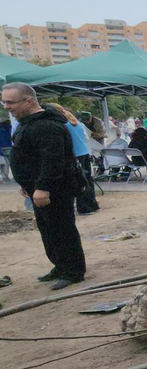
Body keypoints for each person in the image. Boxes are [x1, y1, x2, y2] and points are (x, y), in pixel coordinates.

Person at [3, 83, 86, 291]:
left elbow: (53, 160)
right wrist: (26, 184)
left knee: (62, 229)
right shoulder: (26, 123)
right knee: (47, 229)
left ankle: (73, 271)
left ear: (28, 101)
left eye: (11, 102)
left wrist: (43, 187)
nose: (7, 107)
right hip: (36, 187)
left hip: (56, 188)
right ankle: (59, 265)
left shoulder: (48, 126)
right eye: (4, 102)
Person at [47, 103, 99, 215]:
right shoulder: (78, 124)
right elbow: (86, 138)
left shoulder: (61, 125)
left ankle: (84, 207)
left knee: (78, 181)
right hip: (84, 153)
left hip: (74, 155)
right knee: (87, 180)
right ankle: (91, 204)